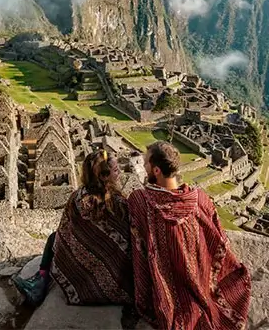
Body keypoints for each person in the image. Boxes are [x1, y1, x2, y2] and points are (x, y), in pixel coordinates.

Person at [128, 141, 251, 330]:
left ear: (157, 171)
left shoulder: (140, 201)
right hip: (202, 280)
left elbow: (139, 250)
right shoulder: (200, 199)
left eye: (146, 164)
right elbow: (219, 240)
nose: (143, 167)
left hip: (167, 294)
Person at [13, 149, 133, 307]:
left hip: (80, 265)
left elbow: (65, 231)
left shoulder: (78, 196)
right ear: (104, 176)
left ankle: (41, 280)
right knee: (56, 238)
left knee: (53, 238)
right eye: (116, 170)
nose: (120, 173)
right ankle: (40, 282)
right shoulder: (117, 203)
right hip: (112, 270)